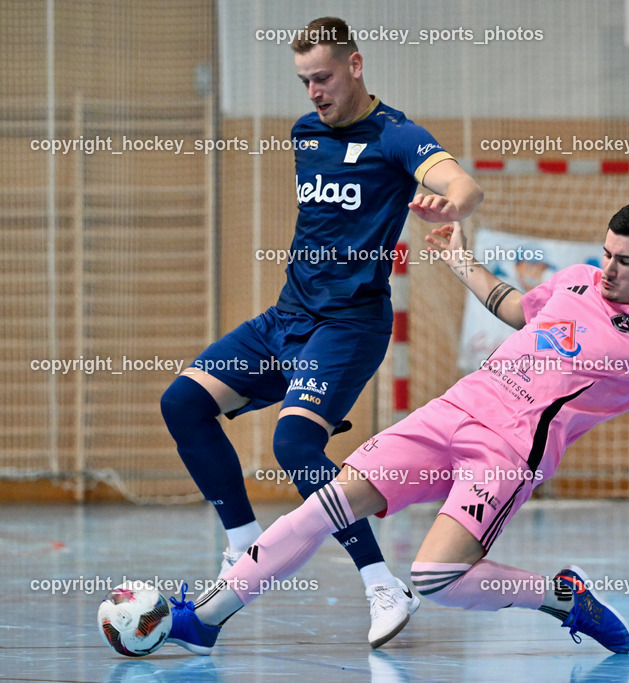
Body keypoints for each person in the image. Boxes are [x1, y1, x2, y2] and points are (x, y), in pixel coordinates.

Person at [162, 202, 629, 657]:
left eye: (624, 261)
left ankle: (561, 597)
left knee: (436, 579)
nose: (606, 269)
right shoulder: (575, 281)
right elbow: (515, 308)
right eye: (605, 253)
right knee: (326, 505)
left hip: (509, 453)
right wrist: (459, 257)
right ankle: (209, 619)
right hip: (451, 412)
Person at [158, 16, 483, 648]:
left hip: (350, 325)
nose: (314, 91)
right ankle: (245, 547)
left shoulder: (396, 136)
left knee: (295, 447)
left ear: (356, 66)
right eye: (305, 80)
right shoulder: (305, 132)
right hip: (287, 317)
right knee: (183, 402)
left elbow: (461, 182)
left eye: (324, 77)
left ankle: (382, 584)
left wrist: (453, 203)